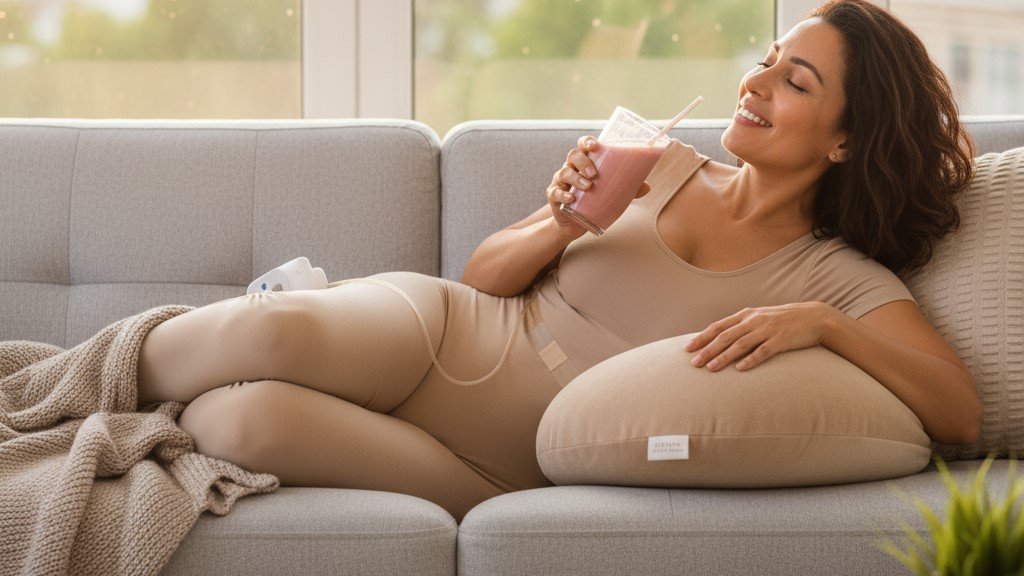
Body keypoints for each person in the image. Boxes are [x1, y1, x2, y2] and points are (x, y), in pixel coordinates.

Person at [135, 0, 982, 524]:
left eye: (795, 82)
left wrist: (825, 327)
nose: (755, 85)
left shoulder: (834, 278)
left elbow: (958, 416)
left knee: (234, 424)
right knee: (274, 330)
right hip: (451, 331)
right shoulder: (661, 163)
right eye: (765, 63)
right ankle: (50, 394)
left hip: (501, 464)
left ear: (846, 140)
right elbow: (483, 276)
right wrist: (562, 220)